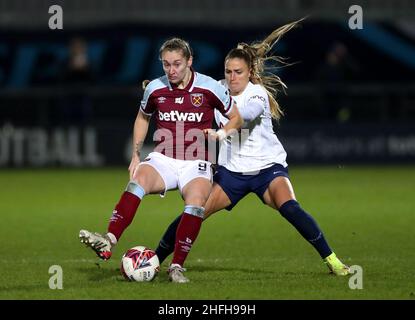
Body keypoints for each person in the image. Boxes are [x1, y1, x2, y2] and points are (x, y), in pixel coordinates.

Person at [154, 21, 351, 279]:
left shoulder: (256, 94)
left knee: (289, 206)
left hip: (267, 169)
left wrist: (222, 132)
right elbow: (188, 88)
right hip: (232, 173)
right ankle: (154, 260)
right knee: (195, 211)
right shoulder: (217, 90)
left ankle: (333, 261)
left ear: (249, 73)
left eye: (238, 72)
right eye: (228, 72)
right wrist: (159, 88)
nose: (233, 77)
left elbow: (243, 115)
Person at [79, 37, 243, 283]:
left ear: (190, 61)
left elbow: (236, 119)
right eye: (166, 65)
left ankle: (176, 266)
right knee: (137, 181)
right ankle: (108, 240)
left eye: (177, 64)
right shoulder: (155, 88)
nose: (171, 70)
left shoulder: (210, 88)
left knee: (196, 202)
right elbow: (142, 118)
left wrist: (220, 134)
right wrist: (135, 154)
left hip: (196, 161)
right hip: (164, 158)